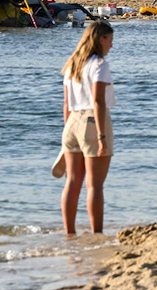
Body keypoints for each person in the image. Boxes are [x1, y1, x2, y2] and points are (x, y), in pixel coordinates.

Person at [60, 20, 116, 234]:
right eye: (110, 40)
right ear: (101, 39)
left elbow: (66, 103)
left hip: (72, 121)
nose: (111, 45)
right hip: (92, 121)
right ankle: (97, 234)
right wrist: (101, 136)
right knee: (94, 185)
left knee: (72, 182)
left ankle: (69, 233)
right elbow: (98, 101)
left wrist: (68, 130)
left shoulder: (73, 63)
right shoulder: (99, 65)